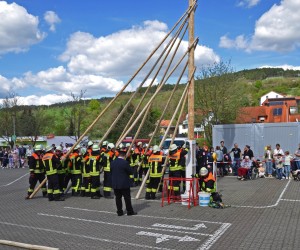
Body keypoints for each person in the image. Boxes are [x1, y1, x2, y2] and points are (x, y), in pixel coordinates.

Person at [110, 148, 137, 216]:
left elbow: (111, 171)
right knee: (127, 198)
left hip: (115, 183)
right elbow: (130, 172)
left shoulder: (113, 162)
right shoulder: (125, 163)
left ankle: (119, 212)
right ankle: (129, 211)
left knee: (118, 198)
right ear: (124, 156)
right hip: (124, 183)